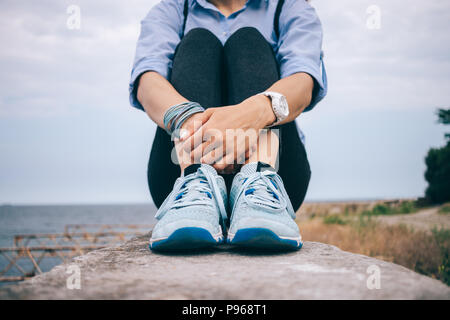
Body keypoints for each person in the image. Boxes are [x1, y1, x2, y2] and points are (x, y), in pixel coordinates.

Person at [129, 0, 327, 251]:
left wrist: (248, 116)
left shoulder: (289, 7)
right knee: (198, 42)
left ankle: (259, 178)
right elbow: (147, 81)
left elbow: (303, 81)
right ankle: (194, 182)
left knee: (248, 40)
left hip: (279, 171)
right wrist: (198, 125)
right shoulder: (172, 10)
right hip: (179, 172)